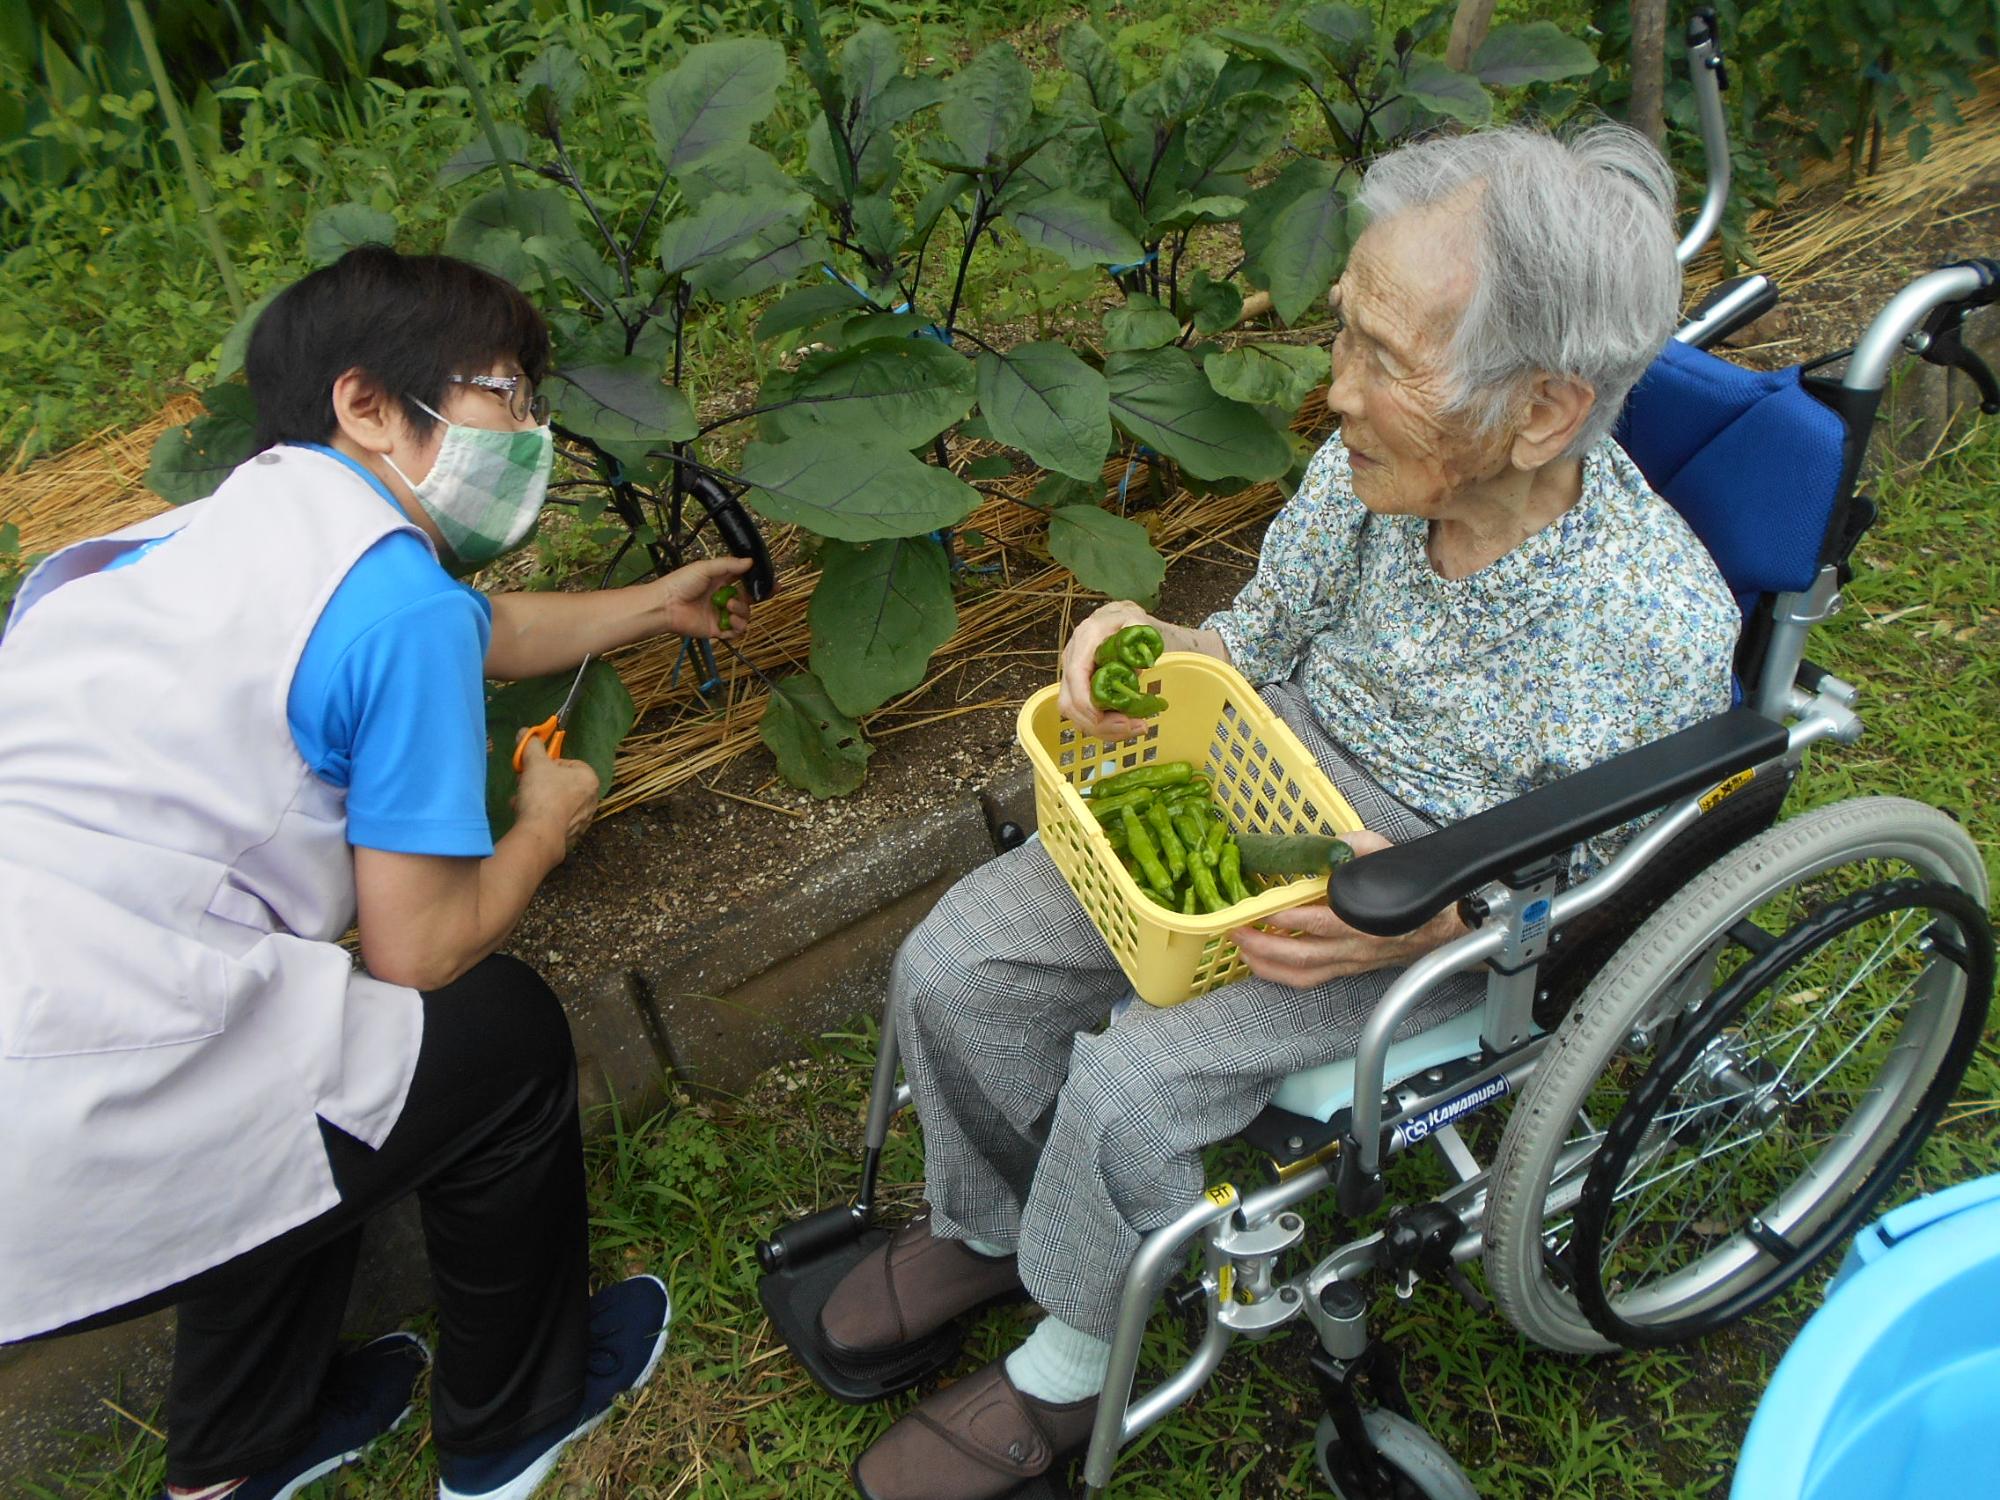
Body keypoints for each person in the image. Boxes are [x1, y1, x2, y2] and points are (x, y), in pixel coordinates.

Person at [828, 124, 1743, 1500]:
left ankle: (1073, 1361)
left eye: (1386, 357)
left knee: (1135, 1083)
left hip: (1425, 888)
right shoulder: (1372, 480)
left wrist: (1441, 915)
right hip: (1270, 776)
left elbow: (1620, 888)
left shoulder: (1655, 626)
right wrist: (1159, 648)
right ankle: (998, 1225)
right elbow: (1255, 645)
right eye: (1345, 340)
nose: (1337, 394)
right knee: (959, 961)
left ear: (1546, 410)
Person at [0, 246, 752, 1500]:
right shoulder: (388, 601)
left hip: (52, 1049)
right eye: (504, 395)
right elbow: (423, 949)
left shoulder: (198, 540)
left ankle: (237, 1458)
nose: (530, 431)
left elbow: (466, 629)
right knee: (488, 1035)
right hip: (76, 1099)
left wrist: (641, 606)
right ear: (365, 403)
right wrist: (544, 825)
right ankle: (512, 1427)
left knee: (288, 1054)